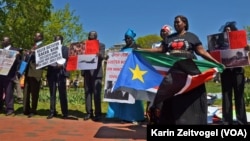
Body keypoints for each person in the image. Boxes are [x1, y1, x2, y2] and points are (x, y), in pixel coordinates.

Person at [154, 15, 221, 125]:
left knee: (189, 97)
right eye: (174, 22)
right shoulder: (169, 38)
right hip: (174, 72)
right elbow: (160, 50)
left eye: (178, 22)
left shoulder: (192, 37)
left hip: (189, 71)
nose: (176, 24)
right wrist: (141, 50)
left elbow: (202, 52)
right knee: (172, 97)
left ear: (184, 23)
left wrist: (216, 62)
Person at [106, 29, 145, 124]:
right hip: (124, 76)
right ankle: (123, 116)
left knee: (133, 98)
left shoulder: (137, 48)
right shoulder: (122, 49)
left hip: (133, 76)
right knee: (123, 97)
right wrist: (110, 59)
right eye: (125, 39)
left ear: (132, 38)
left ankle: (136, 117)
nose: (127, 40)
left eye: (128, 38)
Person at [220, 22, 248, 125]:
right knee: (226, 95)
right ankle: (227, 121)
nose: (228, 31)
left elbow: (246, 53)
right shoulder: (221, 43)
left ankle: (241, 121)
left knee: (239, 96)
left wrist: (247, 48)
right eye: (226, 29)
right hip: (226, 71)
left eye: (230, 29)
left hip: (238, 71)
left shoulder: (240, 41)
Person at [81, 31, 106, 121]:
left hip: (96, 73)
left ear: (96, 37)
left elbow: (103, 56)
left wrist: (100, 55)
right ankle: (89, 113)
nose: (90, 38)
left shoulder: (101, 45)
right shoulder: (84, 46)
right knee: (87, 93)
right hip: (87, 73)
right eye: (89, 37)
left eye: (92, 37)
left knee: (96, 94)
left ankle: (98, 113)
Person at [46, 35, 69, 119]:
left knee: (62, 93)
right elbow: (46, 59)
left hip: (61, 73)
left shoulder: (65, 49)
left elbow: (68, 60)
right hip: (51, 72)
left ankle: (65, 112)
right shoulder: (49, 49)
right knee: (52, 93)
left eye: (58, 40)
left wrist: (62, 64)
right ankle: (52, 112)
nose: (56, 41)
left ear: (61, 41)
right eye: (55, 40)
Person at [23, 32, 44, 118]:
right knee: (26, 92)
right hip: (28, 72)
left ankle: (33, 110)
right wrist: (26, 54)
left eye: (36, 35)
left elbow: (43, 57)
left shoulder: (43, 46)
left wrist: (34, 52)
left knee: (34, 93)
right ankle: (26, 109)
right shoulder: (33, 46)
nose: (34, 36)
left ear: (40, 37)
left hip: (36, 72)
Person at [0, 36, 22, 115]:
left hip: (9, 75)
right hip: (0, 74)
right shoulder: (1, 50)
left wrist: (17, 56)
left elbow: (19, 62)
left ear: (8, 42)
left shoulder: (15, 50)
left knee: (8, 92)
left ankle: (9, 109)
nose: (2, 41)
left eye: (3, 40)